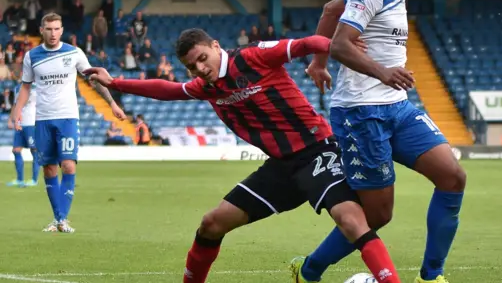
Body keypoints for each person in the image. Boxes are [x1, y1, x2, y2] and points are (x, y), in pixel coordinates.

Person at [83, 30, 402, 283]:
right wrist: (116, 83)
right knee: (211, 224)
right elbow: (168, 90)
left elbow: (305, 44)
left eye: (203, 59)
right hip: (281, 167)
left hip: (316, 149)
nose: (200, 69)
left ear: (216, 46)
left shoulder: (253, 57)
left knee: (350, 220)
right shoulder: (204, 87)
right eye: (192, 66)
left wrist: (336, 47)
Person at [292, 0, 467, 283]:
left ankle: (430, 278)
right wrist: (379, 72)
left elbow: (330, 9)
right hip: (360, 112)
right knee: (377, 215)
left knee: (452, 177)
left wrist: (318, 63)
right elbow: (341, 43)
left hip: (397, 107)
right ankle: (308, 270)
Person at [11, 12, 126, 233]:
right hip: (43, 118)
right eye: (49, 29)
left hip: (68, 117)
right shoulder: (32, 56)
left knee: (68, 165)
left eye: (57, 29)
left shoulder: (74, 53)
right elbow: (26, 87)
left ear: (62, 30)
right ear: (42, 31)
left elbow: (94, 79)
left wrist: (112, 103)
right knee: (49, 169)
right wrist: (17, 111)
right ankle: (59, 219)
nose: (53, 33)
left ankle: (62, 219)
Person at [6, 80, 39, 187]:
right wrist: (11, 119)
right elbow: (16, 105)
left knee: (34, 151)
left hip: (31, 123)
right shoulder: (17, 88)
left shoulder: (37, 87)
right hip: (20, 123)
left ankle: (34, 180)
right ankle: (20, 179)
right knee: (16, 150)